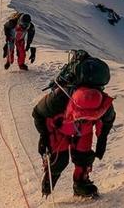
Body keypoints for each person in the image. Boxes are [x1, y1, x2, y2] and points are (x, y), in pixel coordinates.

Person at [33, 53, 115, 199]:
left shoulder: (104, 105)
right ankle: (50, 178)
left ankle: (81, 184)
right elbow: (38, 113)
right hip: (60, 128)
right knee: (60, 160)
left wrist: (102, 140)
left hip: (82, 131)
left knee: (84, 157)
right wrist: (44, 136)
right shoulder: (60, 96)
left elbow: (107, 122)